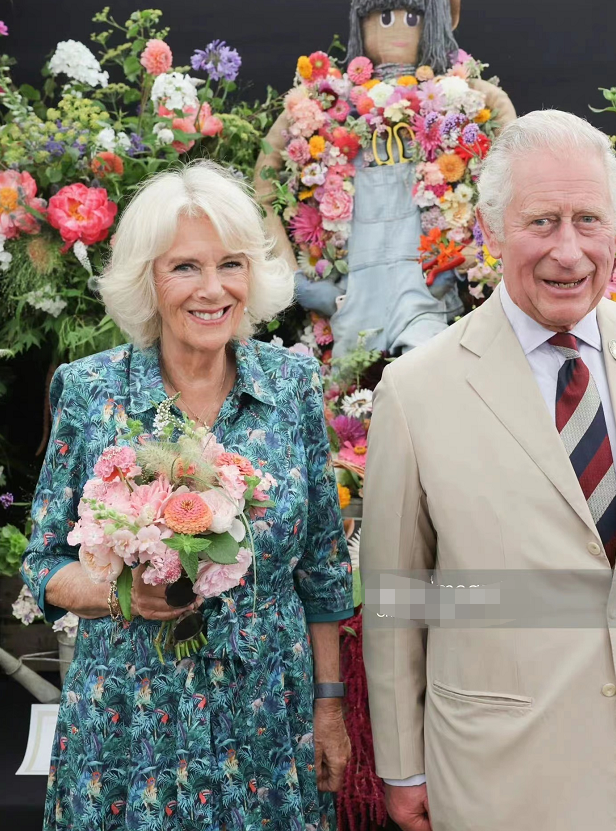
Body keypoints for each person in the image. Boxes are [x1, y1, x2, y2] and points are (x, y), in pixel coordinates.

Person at [360, 110, 616, 831]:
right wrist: (401, 764)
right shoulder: (418, 388)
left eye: (589, 219)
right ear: (492, 230)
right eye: (542, 221)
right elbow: (400, 596)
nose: (569, 250)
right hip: (503, 777)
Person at [21, 160, 353, 831]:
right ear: (147, 278)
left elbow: (322, 568)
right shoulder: (91, 392)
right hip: (132, 724)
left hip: (270, 717)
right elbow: (42, 565)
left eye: (231, 264)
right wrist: (118, 591)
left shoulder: (291, 386)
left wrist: (329, 706)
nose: (213, 289)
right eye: (185, 268)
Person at [253, 0, 516, 358]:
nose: (394, 30)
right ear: (359, 24)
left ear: (437, 23)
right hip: (351, 301)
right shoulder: (322, 104)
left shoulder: (468, 98)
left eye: (411, 18)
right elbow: (263, 194)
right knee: (350, 397)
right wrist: (297, 283)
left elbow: (515, 183)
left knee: (430, 387)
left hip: (432, 297)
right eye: (382, 16)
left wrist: (473, 259)